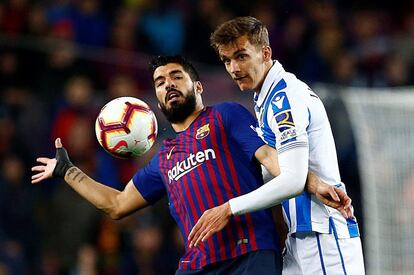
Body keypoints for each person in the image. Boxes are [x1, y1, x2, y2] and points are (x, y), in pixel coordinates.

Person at [32, 55, 349, 275]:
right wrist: (67, 171)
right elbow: (116, 204)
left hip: (249, 255)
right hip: (196, 265)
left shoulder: (225, 116)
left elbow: (269, 158)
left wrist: (314, 183)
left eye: (176, 76)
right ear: (156, 100)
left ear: (198, 87)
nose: (167, 84)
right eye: (159, 82)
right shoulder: (164, 158)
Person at [188, 17, 365, 275]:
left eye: (241, 56)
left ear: (265, 53)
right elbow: (278, 169)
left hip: (324, 237)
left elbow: (292, 180)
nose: (234, 68)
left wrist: (229, 208)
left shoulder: (285, 98)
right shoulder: (266, 98)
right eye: (227, 60)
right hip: (302, 237)